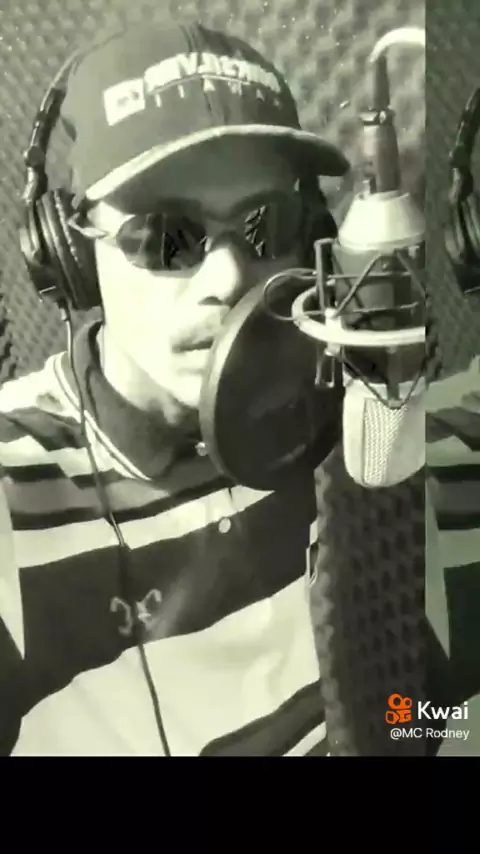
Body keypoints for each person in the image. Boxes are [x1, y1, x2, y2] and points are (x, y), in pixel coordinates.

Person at [0, 19, 350, 756]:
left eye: (265, 225)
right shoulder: (15, 486)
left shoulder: (333, 409)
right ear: (71, 254)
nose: (229, 277)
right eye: (167, 237)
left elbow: (411, 704)